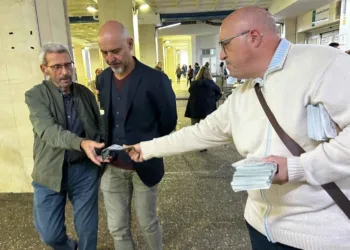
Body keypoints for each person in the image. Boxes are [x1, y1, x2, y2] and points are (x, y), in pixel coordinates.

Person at [125, 6, 350, 250]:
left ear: (254, 37)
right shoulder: (244, 93)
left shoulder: (324, 65)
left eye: (225, 44)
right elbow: (200, 132)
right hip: (259, 227)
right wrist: (145, 148)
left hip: (321, 236)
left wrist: (297, 168)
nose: (221, 55)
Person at [96, 21, 177, 250]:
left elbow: (168, 121)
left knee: (147, 223)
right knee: (117, 228)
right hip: (112, 166)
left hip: (144, 166)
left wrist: (148, 146)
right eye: (104, 53)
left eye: (115, 51)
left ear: (130, 44)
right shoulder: (103, 80)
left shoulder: (155, 79)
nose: (110, 58)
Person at [25, 42, 104, 250]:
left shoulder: (85, 93)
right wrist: (81, 142)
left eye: (68, 65)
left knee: (88, 229)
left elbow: (98, 126)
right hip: (49, 171)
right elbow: (48, 131)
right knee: (50, 234)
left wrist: (104, 149)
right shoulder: (35, 96)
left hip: (84, 170)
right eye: (57, 67)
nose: (65, 72)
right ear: (45, 69)